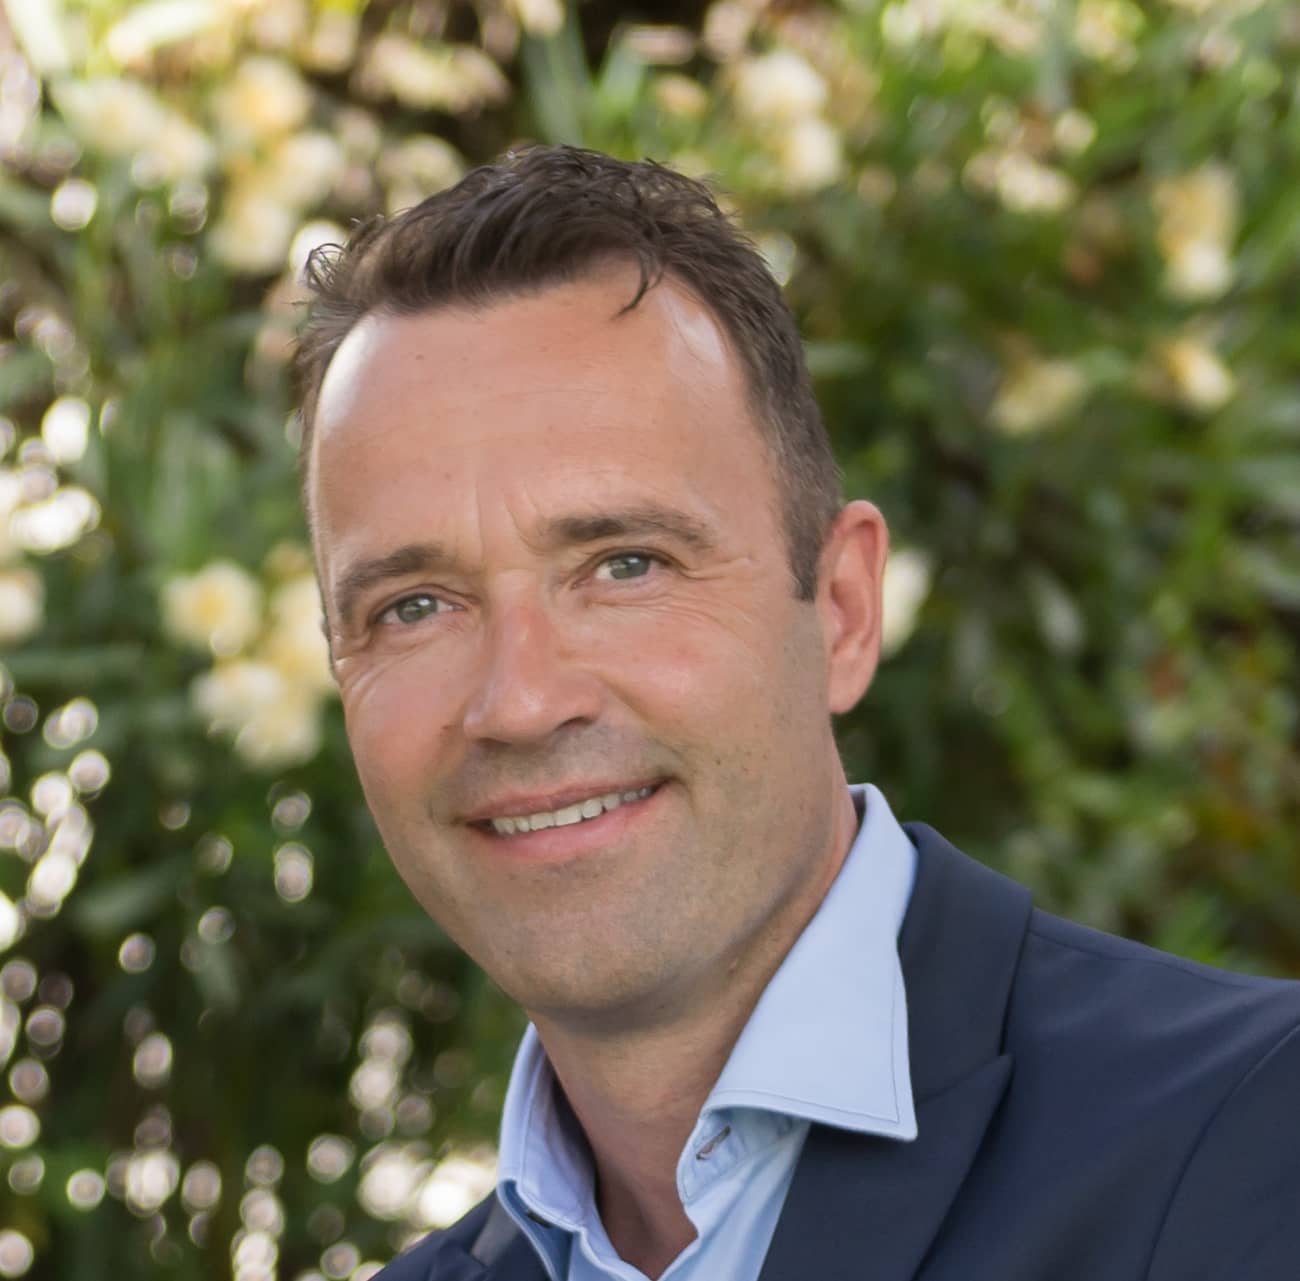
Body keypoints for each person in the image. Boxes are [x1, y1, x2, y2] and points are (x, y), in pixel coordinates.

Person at [293, 145, 1300, 1281]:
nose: (520, 701)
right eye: (413, 606)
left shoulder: (1256, 1140)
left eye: (626, 565)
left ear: (843, 611)